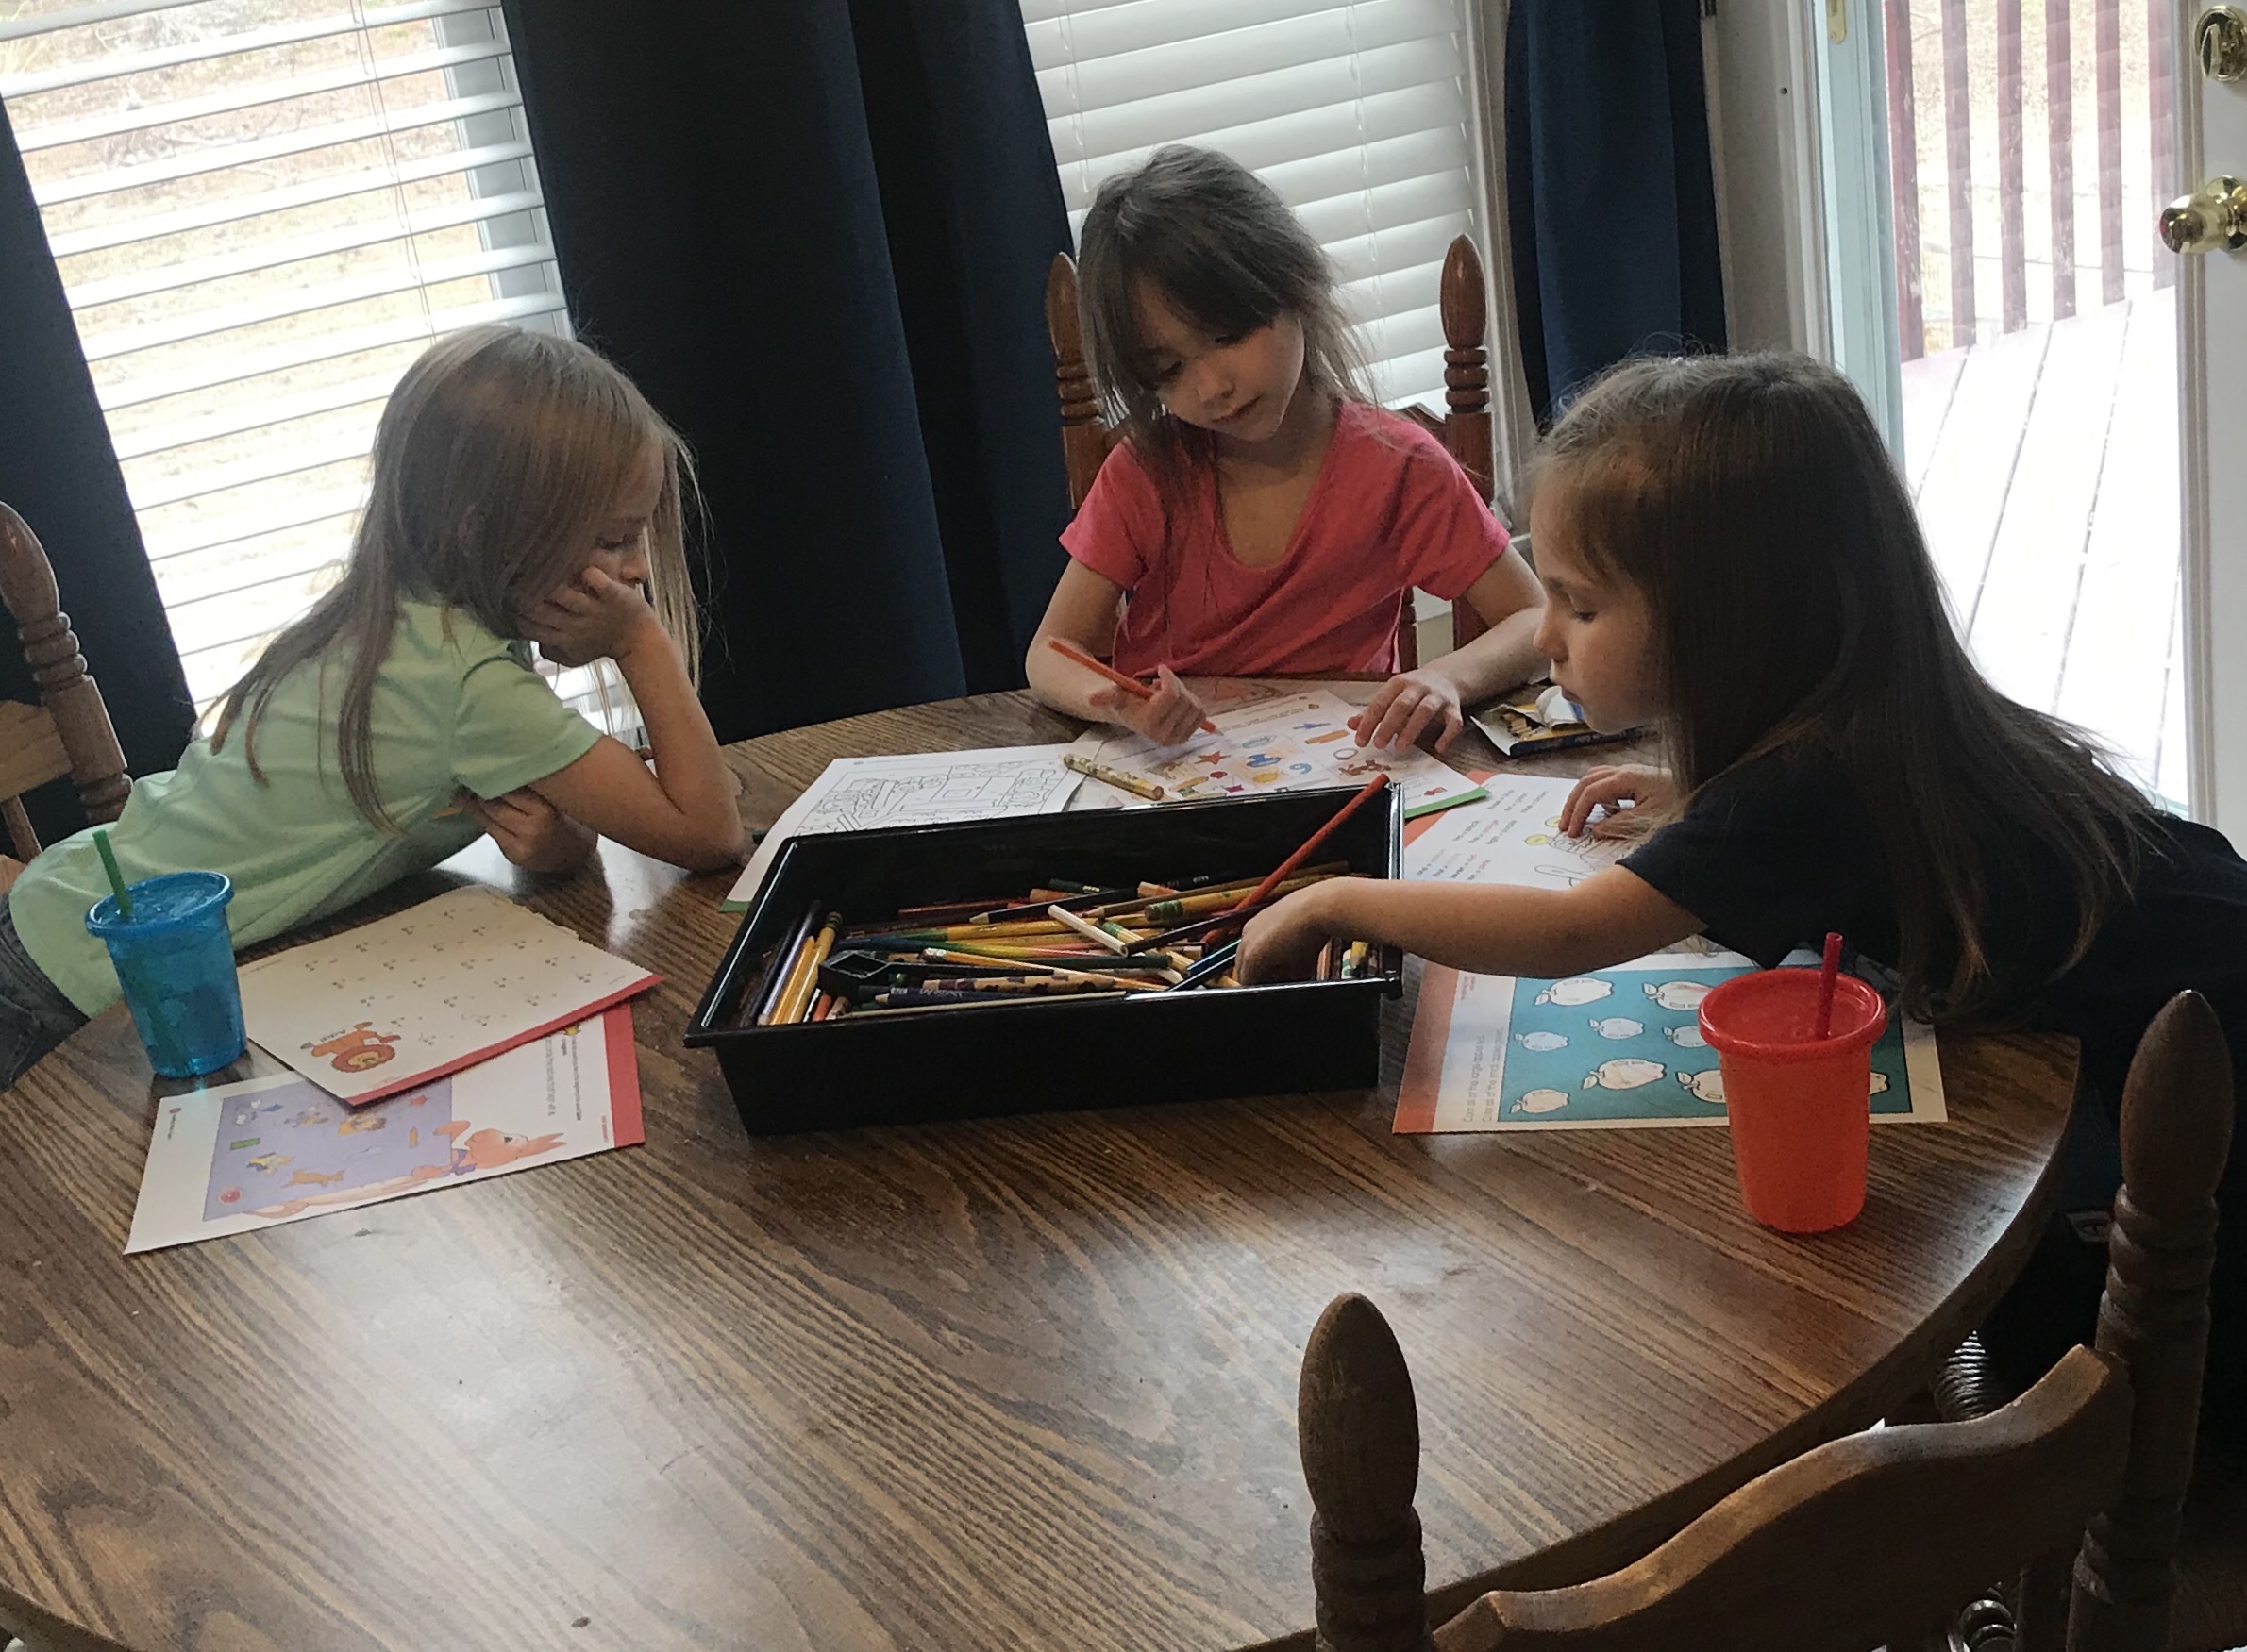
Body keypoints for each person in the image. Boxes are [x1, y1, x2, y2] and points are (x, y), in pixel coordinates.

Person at [1238, 352, 2247, 1453]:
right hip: (2197, 922)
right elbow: (1844, 818)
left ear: (1728, 623)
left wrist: (1343, 899)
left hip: (2196, 1033)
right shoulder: (1856, 716)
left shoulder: (1796, 791)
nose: (1541, 635)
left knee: (2074, 1366)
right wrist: (1694, 796)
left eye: (1576, 601)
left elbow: (1569, 933)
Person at [0, 325, 744, 1090]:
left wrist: (558, 841)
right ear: (485, 533)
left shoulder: (404, 614)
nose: (639, 568)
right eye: (617, 539)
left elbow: (562, 809)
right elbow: (708, 831)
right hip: (75, 982)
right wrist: (639, 641)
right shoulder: (461, 681)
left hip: (71, 911)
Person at [1024, 145, 1545, 751]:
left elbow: (1532, 618)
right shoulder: (1146, 474)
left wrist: (1442, 676)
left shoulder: (1399, 467)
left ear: (1295, 285)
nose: (1212, 387)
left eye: (1229, 335)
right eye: (1167, 369)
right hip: (1177, 770)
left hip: (1341, 772)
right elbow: (1051, 652)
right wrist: (1119, 703)